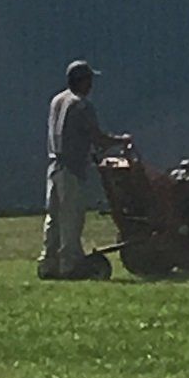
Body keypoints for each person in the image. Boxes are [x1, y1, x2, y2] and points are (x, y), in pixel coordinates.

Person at [38, 60, 131, 280]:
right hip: (72, 169)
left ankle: (48, 263)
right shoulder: (81, 104)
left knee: (54, 218)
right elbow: (97, 138)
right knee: (72, 218)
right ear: (81, 81)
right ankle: (70, 265)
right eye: (89, 80)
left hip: (54, 167)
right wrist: (121, 140)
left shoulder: (57, 100)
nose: (91, 85)